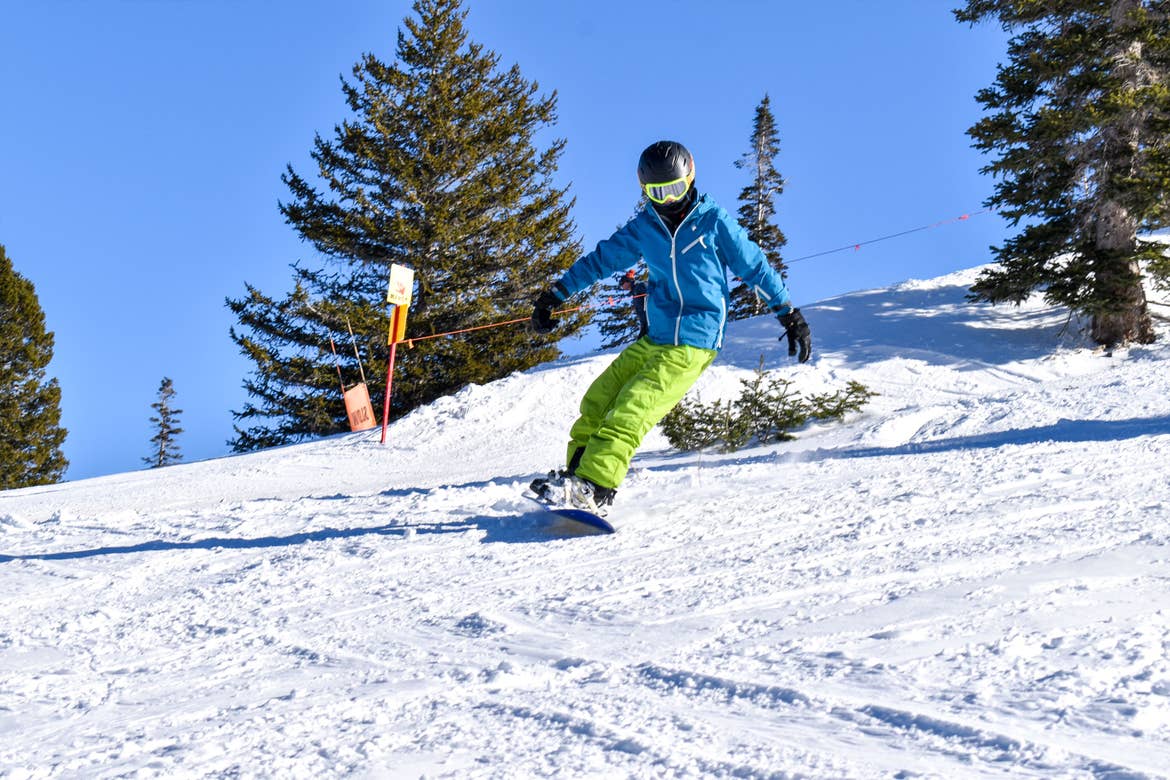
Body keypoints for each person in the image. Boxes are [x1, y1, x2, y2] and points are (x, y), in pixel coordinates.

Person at [529, 140, 811, 515]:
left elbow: (754, 266)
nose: (667, 199)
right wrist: (555, 294)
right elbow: (601, 260)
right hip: (658, 336)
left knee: (633, 407)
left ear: (690, 177)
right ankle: (575, 478)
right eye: (656, 192)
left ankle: (596, 487)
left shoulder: (713, 222)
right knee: (599, 399)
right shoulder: (646, 227)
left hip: (695, 338)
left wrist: (788, 313)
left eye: (674, 189)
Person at [618, 269, 649, 341]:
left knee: (642, 343)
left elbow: (651, 293)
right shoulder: (634, 291)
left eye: (622, 283)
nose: (621, 286)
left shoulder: (640, 286)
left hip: (650, 321)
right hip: (644, 323)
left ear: (628, 281)